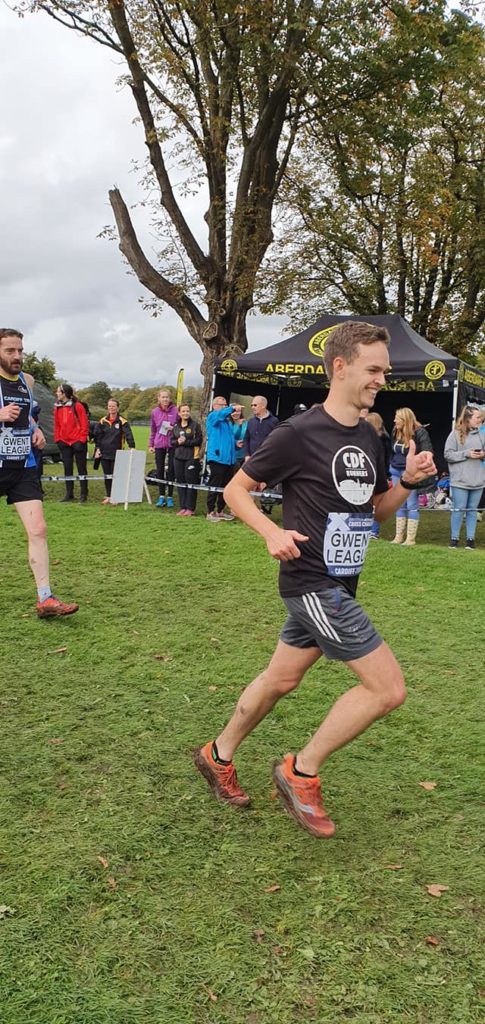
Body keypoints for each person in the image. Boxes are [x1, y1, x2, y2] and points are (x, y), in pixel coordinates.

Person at [194, 320, 436, 839]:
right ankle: (300, 772)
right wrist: (269, 533)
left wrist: (408, 484)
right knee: (387, 689)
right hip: (310, 581)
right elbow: (238, 491)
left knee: (281, 680)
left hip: (341, 582)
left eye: (385, 371)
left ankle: (218, 754)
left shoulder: (368, 437)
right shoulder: (297, 434)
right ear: (340, 367)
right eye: (373, 370)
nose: (381, 380)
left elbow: (374, 514)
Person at [0, 328, 78, 618]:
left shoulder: (27, 381)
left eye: (20, 349)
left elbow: (28, 414)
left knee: (39, 528)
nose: (17, 355)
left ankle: (46, 598)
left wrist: (37, 430)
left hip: (22, 465)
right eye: (10, 351)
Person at [389, 408, 433, 545]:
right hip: (395, 471)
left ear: (405, 420)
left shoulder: (420, 432)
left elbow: (427, 451)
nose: (394, 420)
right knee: (399, 504)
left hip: (411, 473)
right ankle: (398, 537)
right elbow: (392, 449)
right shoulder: (395, 430)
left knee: (412, 504)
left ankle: (410, 539)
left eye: (397, 418)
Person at [444, 405, 485, 549]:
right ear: (468, 418)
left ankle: (470, 540)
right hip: (460, 480)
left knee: (472, 510)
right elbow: (447, 455)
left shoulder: (482, 434)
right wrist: (466, 453)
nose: (480, 420)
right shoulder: (454, 434)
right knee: (458, 509)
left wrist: (483, 454)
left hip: (478, 480)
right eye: (477, 417)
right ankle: (454, 539)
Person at [93, 398, 135, 504]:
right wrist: (98, 449)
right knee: (107, 475)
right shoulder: (102, 421)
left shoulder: (123, 421)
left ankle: (117, 497)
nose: (111, 408)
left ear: (117, 407)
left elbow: (128, 434)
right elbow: (98, 436)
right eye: (109, 406)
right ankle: (109, 496)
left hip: (117, 453)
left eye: (113, 406)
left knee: (116, 475)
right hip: (104, 452)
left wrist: (132, 446)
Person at [54, 383, 90, 504]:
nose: (56, 393)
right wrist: (58, 439)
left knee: (81, 469)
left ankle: (84, 494)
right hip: (64, 442)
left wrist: (81, 440)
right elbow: (57, 425)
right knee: (67, 468)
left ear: (64, 393)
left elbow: (85, 424)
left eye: (58, 391)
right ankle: (69, 494)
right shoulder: (57, 407)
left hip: (77, 442)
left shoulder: (78, 406)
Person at [205, 396, 236, 522]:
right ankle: (210, 511)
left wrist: (235, 444)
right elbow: (221, 414)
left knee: (226, 486)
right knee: (215, 484)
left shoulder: (227, 423)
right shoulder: (213, 417)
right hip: (217, 458)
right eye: (222, 404)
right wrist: (232, 408)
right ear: (215, 406)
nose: (224, 407)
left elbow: (227, 440)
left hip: (229, 459)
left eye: (226, 404)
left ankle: (220, 510)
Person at [148, 389, 178, 508]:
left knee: (171, 470)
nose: (165, 399)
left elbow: (181, 426)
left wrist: (174, 428)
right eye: (163, 397)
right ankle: (161, 496)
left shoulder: (175, 410)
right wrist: (151, 444)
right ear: (158, 399)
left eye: (167, 397)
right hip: (159, 444)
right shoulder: (155, 412)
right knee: (160, 470)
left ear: (170, 399)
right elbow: (153, 430)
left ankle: (170, 496)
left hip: (172, 444)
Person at [172, 403, 202, 516]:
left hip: (191, 458)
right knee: (180, 483)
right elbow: (172, 442)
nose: (185, 413)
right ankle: (183, 507)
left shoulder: (195, 426)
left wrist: (186, 442)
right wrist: (177, 442)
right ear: (179, 413)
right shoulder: (175, 426)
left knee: (191, 483)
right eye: (183, 411)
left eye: (187, 411)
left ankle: (190, 508)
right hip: (178, 458)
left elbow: (199, 441)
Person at [366, 412, 391, 539]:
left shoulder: (379, 440)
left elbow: (383, 459)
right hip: (378, 473)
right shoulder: (384, 438)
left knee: (375, 503)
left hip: (376, 474)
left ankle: (374, 531)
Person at [231, 404, 247, 470]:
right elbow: (234, 437)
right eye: (234, 411)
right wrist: (239, 426)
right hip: (233, 456)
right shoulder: (228, 424)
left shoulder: (246, 423)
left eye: (238, 411)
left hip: (244, 455)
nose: (236, 413)